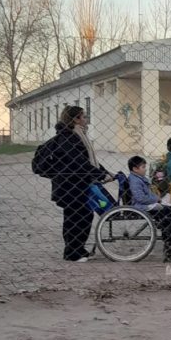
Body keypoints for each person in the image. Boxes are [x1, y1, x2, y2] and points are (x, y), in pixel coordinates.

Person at [48, 105, 111, 262]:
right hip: (70, 185)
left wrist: (105, 172)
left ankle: (78, 249)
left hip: (79, 184)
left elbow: (90, 160)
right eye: (83, 116)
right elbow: (79, 162)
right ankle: (72, 252)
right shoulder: (68, 137)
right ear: (75, 119)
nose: (85, 119)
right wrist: (101, 174)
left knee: (84, 215)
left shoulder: (77, 135)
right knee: (75, 217)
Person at [128, 156, 171, 262]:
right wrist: (157, 199)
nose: (145, 169)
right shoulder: (135, 181)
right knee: (168, 213)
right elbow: (140, 198)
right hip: (142, 206)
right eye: (143, 167)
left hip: (147, 204)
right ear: (135, 169)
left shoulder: (138, 178)